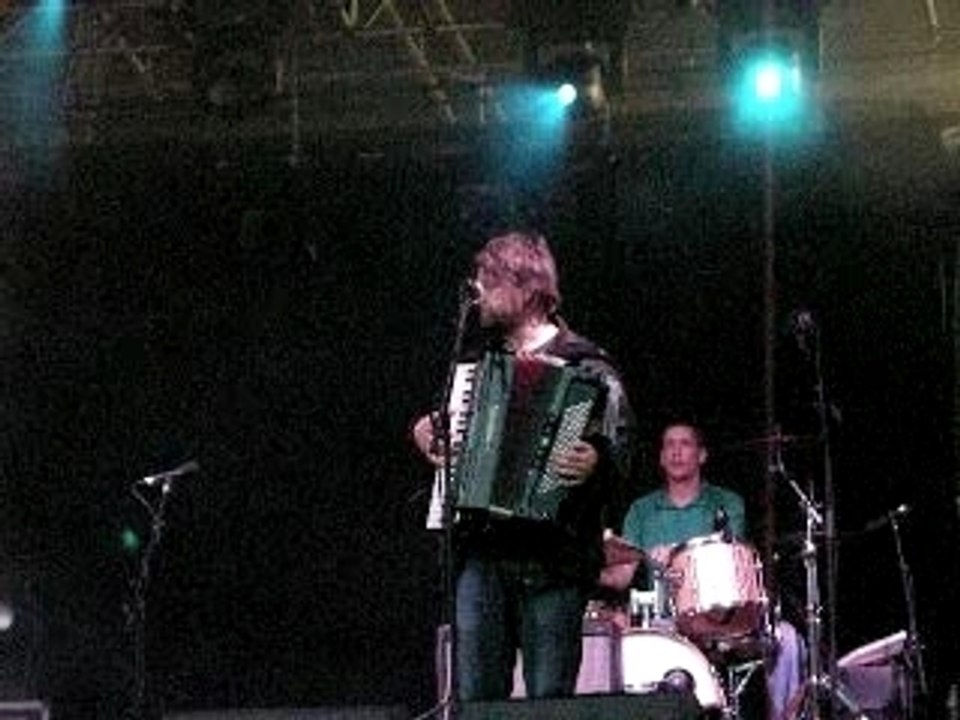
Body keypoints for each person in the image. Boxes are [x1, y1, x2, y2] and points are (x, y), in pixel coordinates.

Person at [411, 230, 632, 701]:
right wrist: (425, 431)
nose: (478, 291)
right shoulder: (476, 364)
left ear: (527, 289)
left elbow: (624, 448)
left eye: (488, 280)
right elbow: (446, 429)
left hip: (554, 562)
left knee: (548, 700)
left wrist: (597, 460)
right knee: (477, 700)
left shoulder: (587, 365)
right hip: (483, 558)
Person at [605, 421, 804, 720]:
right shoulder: (640, 511)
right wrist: (585, 560)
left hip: (721, 619)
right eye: (669, 445)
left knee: (787, 639)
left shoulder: (726, 503)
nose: (676, 452)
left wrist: (672, 554)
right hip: (664, 625)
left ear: (702, 455)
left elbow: (728, 557)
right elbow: (620, 577)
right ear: (660, 457)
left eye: (685, 444)